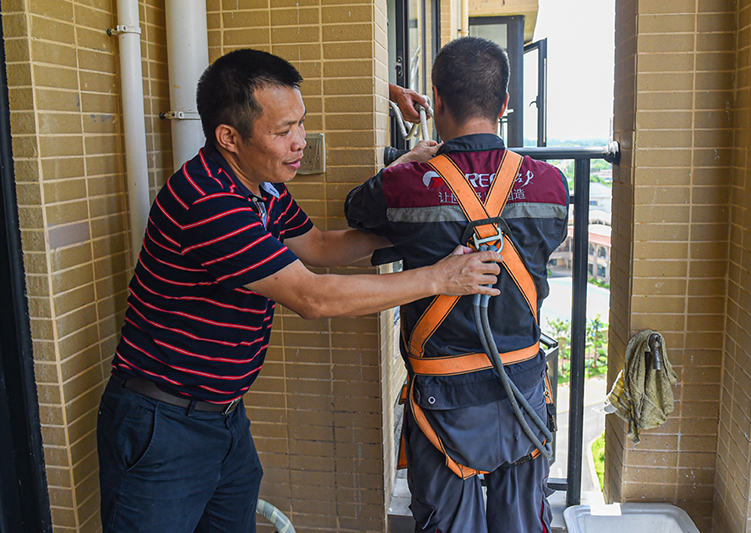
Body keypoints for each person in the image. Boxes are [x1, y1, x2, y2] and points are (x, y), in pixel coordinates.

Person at [96, 48, 504, 533]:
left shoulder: (262, 189)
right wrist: (438, 277)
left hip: (223, 416)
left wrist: (425, 224)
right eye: (282, 130)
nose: (300, 142)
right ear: (229, 137)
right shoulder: (207, 202)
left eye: (301, 124)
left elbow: (320, 245)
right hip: (160, 423)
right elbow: (312, 296)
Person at [345, 36, 569, 533]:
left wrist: (406, 163)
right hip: (522, 389)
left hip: (442, 401)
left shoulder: (407, 187)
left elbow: (356, 211)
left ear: (438, 100)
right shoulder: (551, 185)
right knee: (523, 523)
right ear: (505, 104)